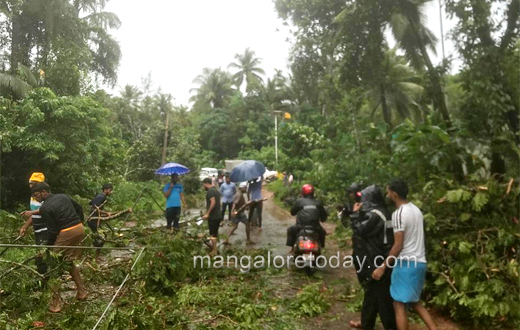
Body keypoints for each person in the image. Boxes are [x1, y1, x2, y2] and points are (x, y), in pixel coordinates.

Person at [372, 179, 437, 330]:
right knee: (415, 302)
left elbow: (398, 245)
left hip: (406, 264)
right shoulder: (416, 210)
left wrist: (382, 267)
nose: (387, 195)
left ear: (394, 194)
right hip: (420, 262)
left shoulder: (399, 214)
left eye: (388, 192)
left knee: (398, 304)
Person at [29, 182, 87, 313]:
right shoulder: (63, 196)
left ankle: (56, 303)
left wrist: (48, 248)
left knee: (54, 265)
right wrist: (79, 222)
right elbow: (79, 208)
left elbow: (53, 231)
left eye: (36, 195)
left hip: (67, 231)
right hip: (79, 228)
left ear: (44, 192)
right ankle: (82, 292)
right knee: (67, 261)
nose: (36, 198)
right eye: (33, 196)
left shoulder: (45, 208)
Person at [349, 185, 396, 330]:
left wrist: (355, 214)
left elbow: (361, 230)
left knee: (382, 298)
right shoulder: (384, 212)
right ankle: (366, 323)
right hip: (380, 256)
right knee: (372, 293)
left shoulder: (376, 214)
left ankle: (390, 326)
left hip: (378, 258)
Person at [19, 172, 48, 287]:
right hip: (38, 229)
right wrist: (24, 227)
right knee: (40, 255)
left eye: (34, 183)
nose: (31, 186)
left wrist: (31, 212)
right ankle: (43, 280)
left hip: (46, 229)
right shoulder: (33, 197)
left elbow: (46, 210)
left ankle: (45, 283)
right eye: (30, 183)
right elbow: (33, 215)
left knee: (42, 256)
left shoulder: (45, 195)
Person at [286, 184, 327, 254]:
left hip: (300, 227)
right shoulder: (318, 202)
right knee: (323, 233)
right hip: (315, 228)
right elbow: (324, 216)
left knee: (290, 230)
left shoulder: (299, 201)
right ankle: (321, 247)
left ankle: (292, 248)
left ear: (303, 193)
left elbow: (292, 212)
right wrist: (322, 219)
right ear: (313, 193)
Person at [87, 184, 114, 261]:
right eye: (110, 190)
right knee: (102, 237)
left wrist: (102, 214)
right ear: (105, 190)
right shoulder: (101, 197)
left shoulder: (100, 196)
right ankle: (94, 255)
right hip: (93, 220)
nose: (111, 192)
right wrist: (105, 213)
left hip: (95, 220)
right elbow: (94, 207)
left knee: (100, 237)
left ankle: (95, 255)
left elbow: (91, 203)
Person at [202, 178, 221, 256]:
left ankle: (214, 251)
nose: (203, 186)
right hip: (218, 215)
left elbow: (213, 202)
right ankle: (214, 249)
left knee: (212, 234)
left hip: (213, 216)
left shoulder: (210, 191)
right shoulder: (216, 190)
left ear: (206, 183)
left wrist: (207, 213)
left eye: (203, 185)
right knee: (215, 234)